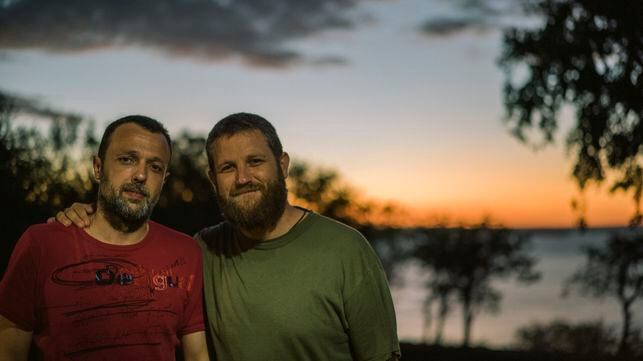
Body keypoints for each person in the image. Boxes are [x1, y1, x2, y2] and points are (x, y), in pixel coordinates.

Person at [52, 112, 401, 361]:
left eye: (255, 162)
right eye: (228, 168)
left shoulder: (346, 250)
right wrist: (86, 217)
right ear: (213, 179)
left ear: (282, 166)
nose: (243, 177)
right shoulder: (200, 251)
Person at [0, 115, 209, 361]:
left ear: (164, 179)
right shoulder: (41, 244)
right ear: (98, 168)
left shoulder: (186, 251)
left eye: (155, 167)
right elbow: (9, 350)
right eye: (127, 160)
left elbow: (197, 354)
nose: (141, 175)